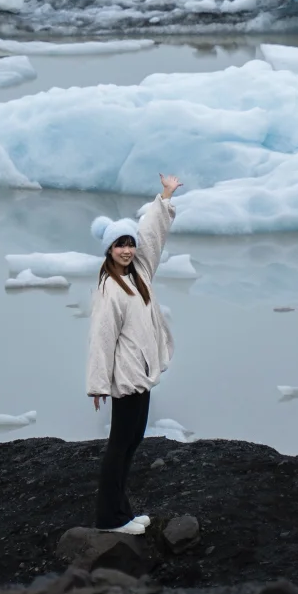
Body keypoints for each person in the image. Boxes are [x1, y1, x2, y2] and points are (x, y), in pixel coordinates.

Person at [86, 173, 182, 535]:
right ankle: (109, 519)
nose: (126, 250)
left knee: (132, 442)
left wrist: (165, 196)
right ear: (109, 250)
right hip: (125, 376)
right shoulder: (110, 289)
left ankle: (121, 511)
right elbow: (101, 338)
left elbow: (152, 234)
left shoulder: (139, 273)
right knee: (120, 444)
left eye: (129, 244)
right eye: (119, 245)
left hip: (140, 374)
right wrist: (98, 384)